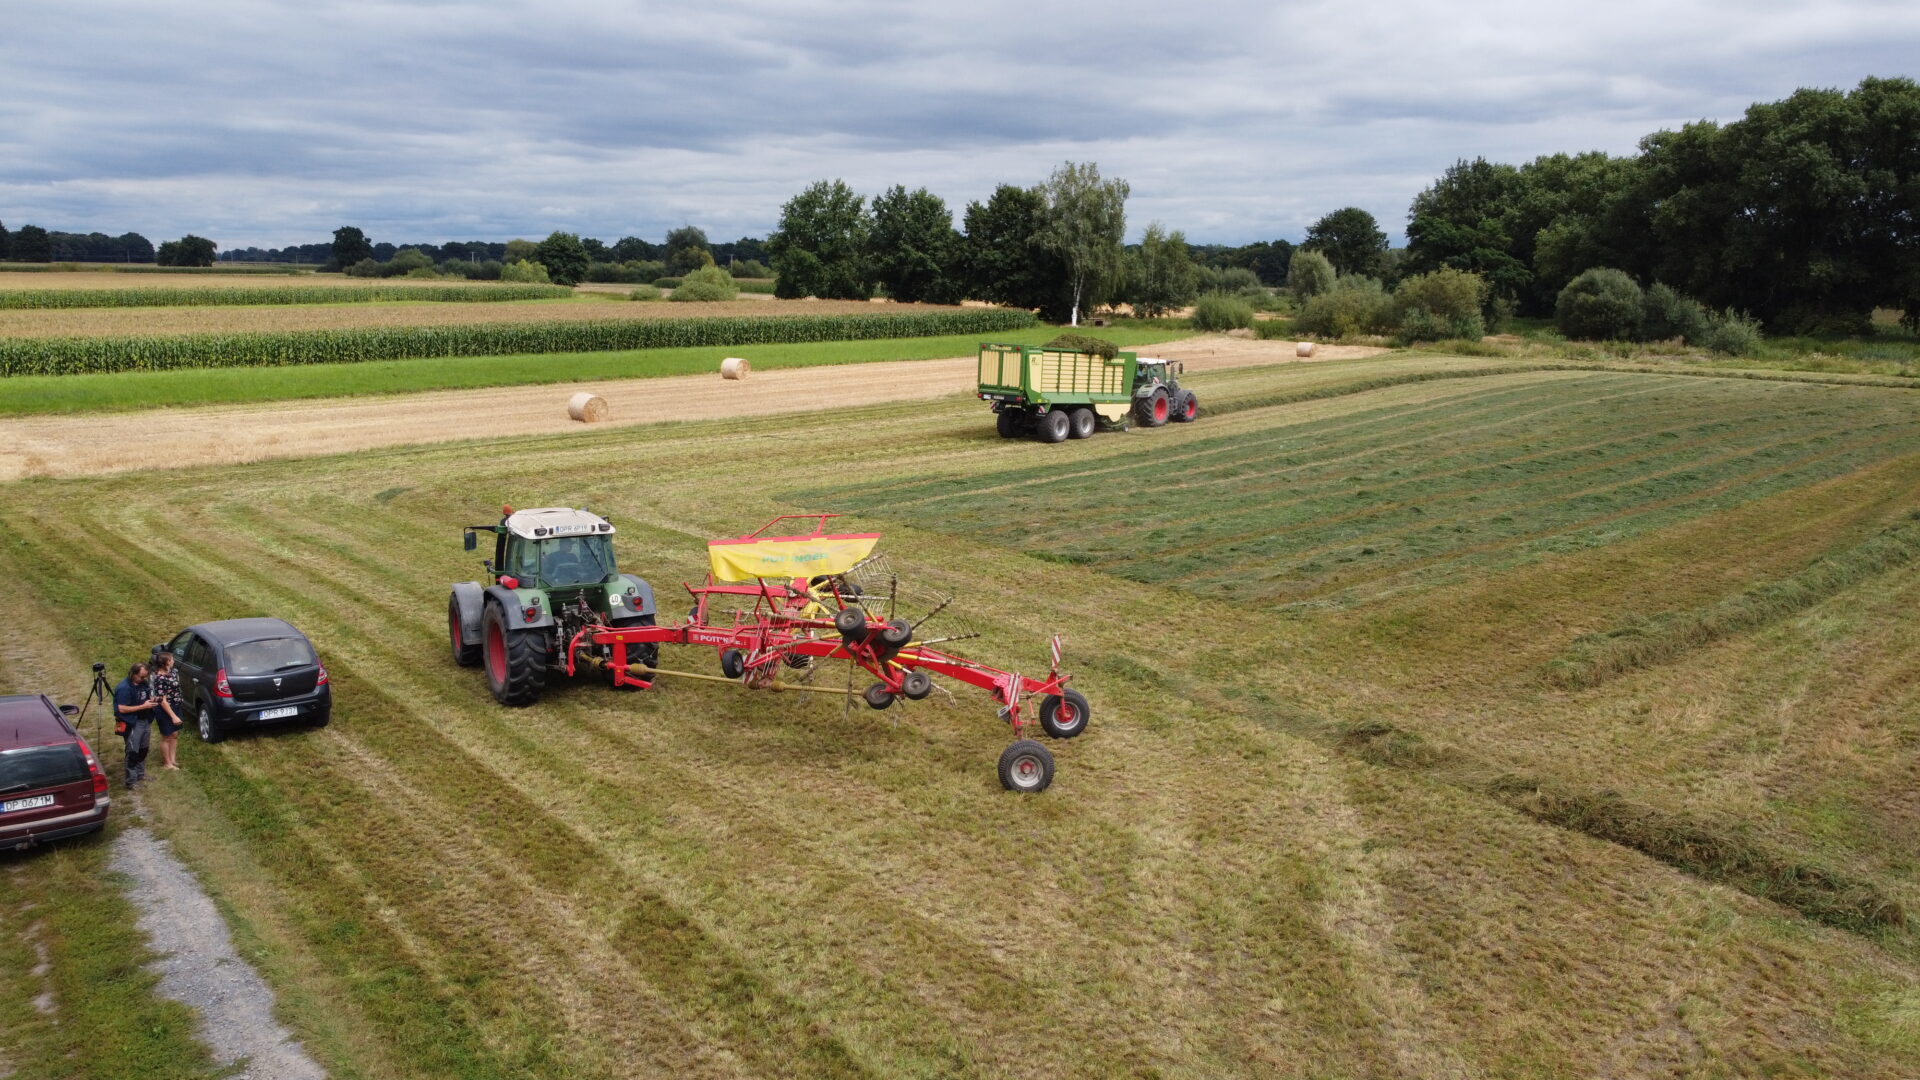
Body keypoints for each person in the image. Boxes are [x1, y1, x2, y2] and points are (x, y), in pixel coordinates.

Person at [113, 662, 157, 789]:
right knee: (133, 751)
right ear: (133, 674)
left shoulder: (143, 683)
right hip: (132, 723)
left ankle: (140, 774)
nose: (143, 679)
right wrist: (143, 706)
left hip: (145, 720)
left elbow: (146, 695)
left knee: (143, 749)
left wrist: (152, 700)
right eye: (141, 676)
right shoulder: (124, 688)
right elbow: (121, 709)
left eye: (145, 676)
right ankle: (131, 781)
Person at [150, 650, 184, 770]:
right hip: (165, 709)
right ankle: (167, 763)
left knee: (174, 734)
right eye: (172, 659)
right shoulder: (160, 678)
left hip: (175, 705)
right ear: (167, 662)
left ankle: (173, 759)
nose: (174, 661)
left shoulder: (173, 672)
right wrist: (173, 716)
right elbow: (162, 701)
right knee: (167, 736)